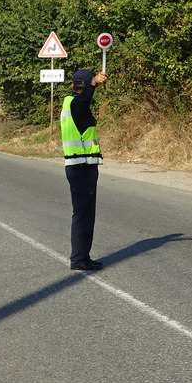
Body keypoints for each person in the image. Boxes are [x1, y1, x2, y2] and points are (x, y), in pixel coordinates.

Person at [61, 69, 107, 271]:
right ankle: (79, 258)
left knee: (85, 214)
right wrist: (94, 84)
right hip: (82, 167)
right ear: (85, 87)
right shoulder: (75, 103)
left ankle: (83, 256)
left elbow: (83, 101)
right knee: (83, 214)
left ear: (72, 85)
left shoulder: (68, 102)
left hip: (80, 166)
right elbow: (83, 101)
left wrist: (91, 86)